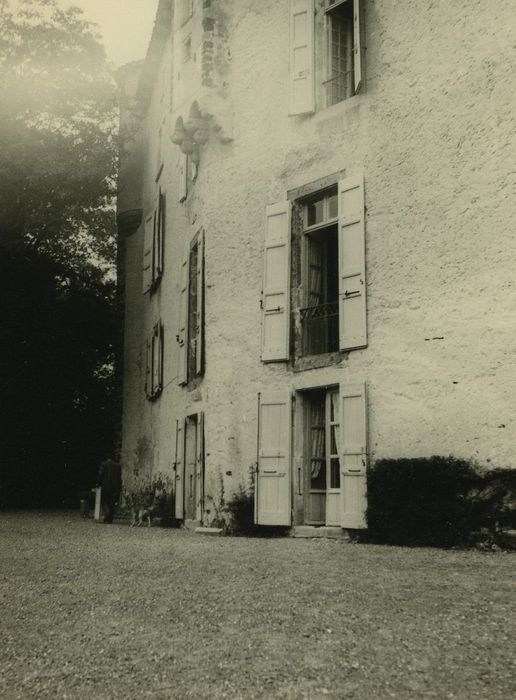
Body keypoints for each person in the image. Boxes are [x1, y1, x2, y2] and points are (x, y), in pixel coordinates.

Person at [97, 457, 122, 524]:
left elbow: (100, 475)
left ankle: (107, 515)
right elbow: (119, 478)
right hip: (114, 487)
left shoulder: (103, 464)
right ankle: (110, 519)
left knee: (104, 502)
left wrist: (98, 484)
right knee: (112, 503)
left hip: (105, 487)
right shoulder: (118, 465)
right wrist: (120, 487)